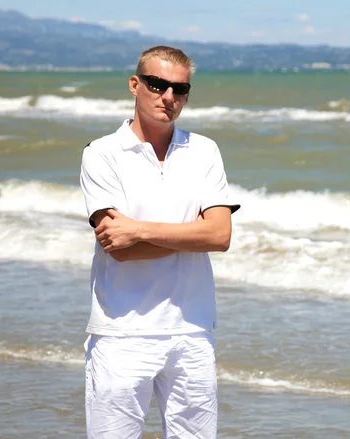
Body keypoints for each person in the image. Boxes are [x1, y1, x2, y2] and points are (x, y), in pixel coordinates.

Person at [79, 45, 239, 439]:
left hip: (193, 330)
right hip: (122, 332)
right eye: (156, 84)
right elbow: (119, 248)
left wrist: (140, 229)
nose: (168, 97)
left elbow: (219, 235)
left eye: (180, 89)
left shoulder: (204, 151)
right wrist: (190, 234)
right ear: (135, 85)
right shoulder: (101, 154)